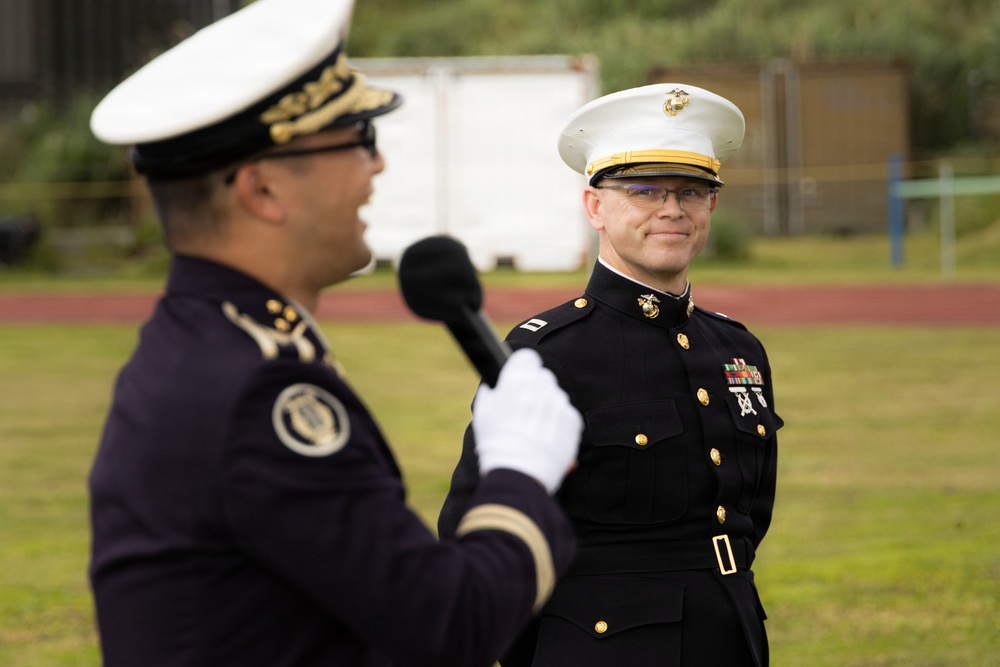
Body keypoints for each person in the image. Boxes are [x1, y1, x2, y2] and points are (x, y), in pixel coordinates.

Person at [86, 1, 584, 665]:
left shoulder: (203, 343)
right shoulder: (262, 390)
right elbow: (451, 624)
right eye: (359, 140)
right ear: (262, 191)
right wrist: (522, 470)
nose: (376, 167)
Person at [439, 84, 784, 667]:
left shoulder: (736, 349)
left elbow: (750, 515)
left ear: (711, 208)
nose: (671, 210)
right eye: (644, 191)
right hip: (602, 647)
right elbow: (476, 529)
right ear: (595, 207)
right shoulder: (546, 355)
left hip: (729, 635)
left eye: (692, 192)